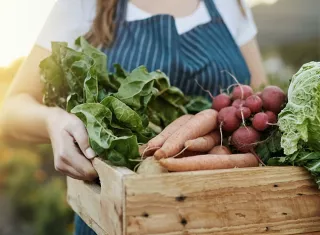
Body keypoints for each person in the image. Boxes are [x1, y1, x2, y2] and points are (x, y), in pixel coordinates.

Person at [0, 0, 267, 234]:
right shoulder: (83, 4)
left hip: (229, 212)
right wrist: (53, 121)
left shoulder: (229, 3)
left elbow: (258, 98)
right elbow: (11, 109)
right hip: (120, 217)